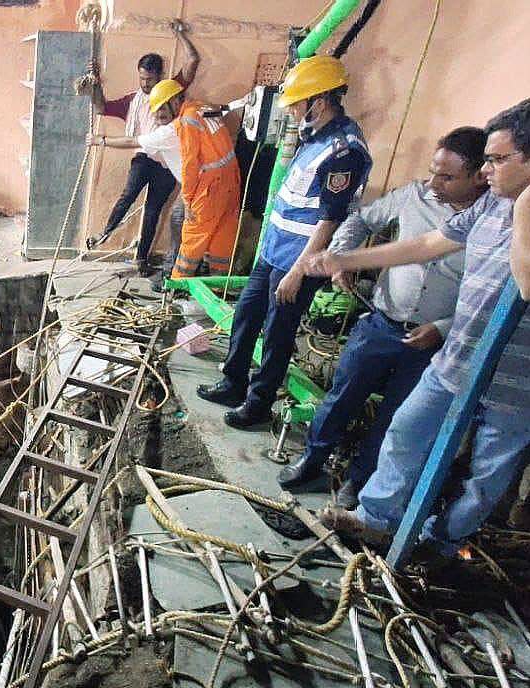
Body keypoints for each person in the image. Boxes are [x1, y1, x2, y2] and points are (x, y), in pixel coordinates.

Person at [305, 99, 530, 559]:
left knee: (486, 478)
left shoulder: (518, 209)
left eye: (498, 159)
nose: (488, 170)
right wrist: (345, 258)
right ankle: (375, 520)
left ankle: (439, 544)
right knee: (406, 431)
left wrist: (525, 209)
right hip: (458, 360)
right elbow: (428, 244)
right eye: (485, 159)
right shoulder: (488, 205)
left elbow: (526, 283)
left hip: (517, 385)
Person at [278, 128, 488, 506]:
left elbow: (487, 297)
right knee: (342, 397)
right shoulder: (414, 197)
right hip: (381, 323)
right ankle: (313, 459)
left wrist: (442, 329)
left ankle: (357, 483)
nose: (433, 183)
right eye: (433, 172)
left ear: (478, 176)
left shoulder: (491, 225)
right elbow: (361, 219)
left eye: (447, 177)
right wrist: (341, 256)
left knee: (396, 418)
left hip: (433, 344)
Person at [196, 55, 371, 429]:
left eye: (296, 104)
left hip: (298, 261)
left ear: (319, 102)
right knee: (246, 315)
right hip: (274, 251)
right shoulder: (314, 138)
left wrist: (298, 271)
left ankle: (258, 405)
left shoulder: (343, 151)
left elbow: (330, 219)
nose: (291, 111)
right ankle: (233, 382)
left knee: (277, 334)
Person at [91, 79, 240, 278]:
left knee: (191, 234)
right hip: (230, 181)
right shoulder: (200, 108)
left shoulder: (178, 127)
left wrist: (99, 140)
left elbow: (189, 165)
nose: (157, 115)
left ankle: (176, 281)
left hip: (208, 187)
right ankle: (218, 281)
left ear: (175, 101)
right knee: (222, 234)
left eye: (161, 109)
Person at [85, 21, 199, 275]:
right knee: (128, 194)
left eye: (149, 79)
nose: (145, 83)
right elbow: (102, 108)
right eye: (141, 78)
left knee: (152, 211)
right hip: (145, 157)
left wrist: (180, 34)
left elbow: (192, 61)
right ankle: (105, 233)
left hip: (168, 164)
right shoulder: (133, 100)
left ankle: (141, 259)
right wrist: (95, 85)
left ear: (160, 76)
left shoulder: (171, 93)